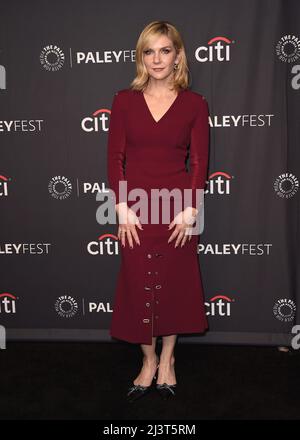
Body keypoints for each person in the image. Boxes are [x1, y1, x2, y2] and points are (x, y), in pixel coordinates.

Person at [107, 20, 210, 402]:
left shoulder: (195, 104)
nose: (157, 59)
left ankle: (168, 360)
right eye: (149, 51)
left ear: (178, 55)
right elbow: (115, 157)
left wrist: (189, 209)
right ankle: (147, 361)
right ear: (141, 57)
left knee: (172, 286)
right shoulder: (123, 101)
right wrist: (120, 206)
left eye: (164, 50)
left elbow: (199, 161)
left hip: (177, 209)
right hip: (134, 209)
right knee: (138, 285)